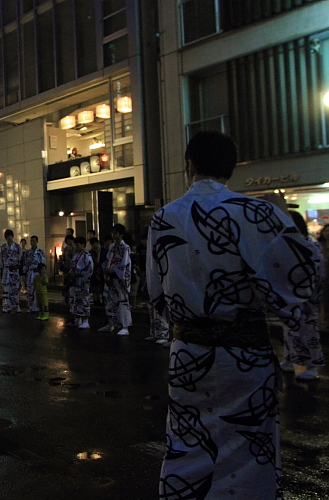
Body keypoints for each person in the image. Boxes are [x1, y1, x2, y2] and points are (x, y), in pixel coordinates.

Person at [148, 131, 317, 498]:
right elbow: (302, 277)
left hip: (189, 353)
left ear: (189, 164)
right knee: (248, 448)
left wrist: (186, 321)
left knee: (187, 443)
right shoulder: (258, 213)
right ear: (231, 169)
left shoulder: (165, 218)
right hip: (246, 355)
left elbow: (156, 292)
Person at [280, 211, 324, 379]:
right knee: (290, 330)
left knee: (307, 330)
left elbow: (316, 272)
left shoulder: (308, 243)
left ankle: (312, 366)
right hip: (291, 293)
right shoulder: (294, 243)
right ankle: (290, 359)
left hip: (305, 294)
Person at [98, 224, 132, 336]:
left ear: (121, 234)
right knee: (110, 300)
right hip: (110, 276)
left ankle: (125, 326)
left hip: (119, 277)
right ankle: (111, 323)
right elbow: (108, 259)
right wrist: (106, 270)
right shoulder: (112, 246)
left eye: (116, 233)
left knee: (122, 301)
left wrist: (115, 270)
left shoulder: (125, 247)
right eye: (113, 233)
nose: (114, 235)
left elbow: (125, 263)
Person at [66, 236, 93, 329]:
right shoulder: (76, 255)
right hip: (75, 281)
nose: (76, 246)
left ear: (83, 245)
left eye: (77, 245)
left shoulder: (87, 256)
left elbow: (89, 270)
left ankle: (86, 319)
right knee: (74, 300)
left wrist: (79, 274)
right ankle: (77, 318)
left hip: (82, 282)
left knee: (84, 300)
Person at [0, 229, 22, 313]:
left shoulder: (17, 247)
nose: (9, 238)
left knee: (15, 289)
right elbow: (1, 259)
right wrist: (1, 269)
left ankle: (16, 306)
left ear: (12, 237)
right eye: (7, 236)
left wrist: (18, 266)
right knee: (6, 289)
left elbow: (20, 258)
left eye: (10, 236)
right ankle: (6, 306)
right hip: (6, 270)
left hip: (14, 269)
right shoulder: (3, 247)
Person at [23, 235, 46, 313]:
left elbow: (43, 264)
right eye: (31, 241)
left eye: (34, 241)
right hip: (30, 272)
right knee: (29, 290)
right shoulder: (28, 252)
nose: (32, 242)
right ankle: (30, 306)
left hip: (37, 273)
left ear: (37, 241)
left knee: (37, 291)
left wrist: (42, 274)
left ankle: (38, 307)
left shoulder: (40, 252)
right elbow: (25, 264)